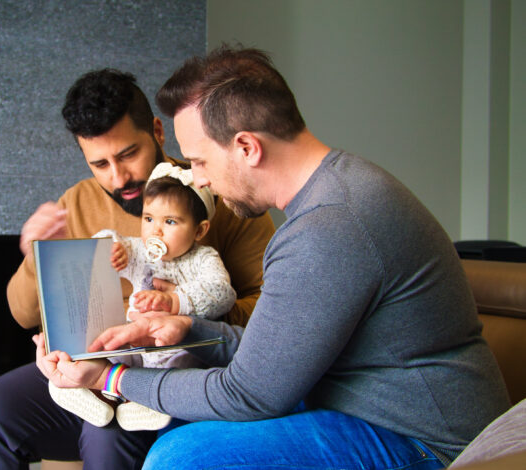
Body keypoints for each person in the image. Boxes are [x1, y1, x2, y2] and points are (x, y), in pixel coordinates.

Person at [33, 46, 512, 470]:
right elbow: (277, 355)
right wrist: (189, 329)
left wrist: (111, 375)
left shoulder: (329, 227)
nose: (197, 180)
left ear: (246, 147)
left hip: (425, 439)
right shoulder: (335, 192)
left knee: (181, 459)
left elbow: (249, 393)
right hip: (363, 404)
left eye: (198, 162)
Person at [0, 68, 276, 469]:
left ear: (158, 132)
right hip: (94, 369)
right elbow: (22, 315)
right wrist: (37, 256)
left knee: (107, 435)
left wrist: (181, 310)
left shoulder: (216, 196)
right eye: (100, 163)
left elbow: (271, 313)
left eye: (128, 155)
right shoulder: (77, 202)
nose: (118, 177)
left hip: (177, 374)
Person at [49, 162, 236, 432]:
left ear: (199, 230)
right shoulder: (140, 249)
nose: (155, 231)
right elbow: (106, 247)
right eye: (148, 219)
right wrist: (112, 248)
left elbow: (222, 293)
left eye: (170, 222)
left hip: (172, 344)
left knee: (178, 360)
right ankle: (88, 391)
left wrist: (175, 301)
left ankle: (146, 403)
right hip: (133, 338)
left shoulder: (203, 259)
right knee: (105, 344)